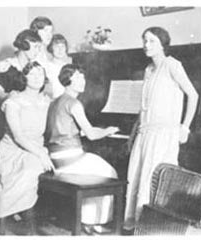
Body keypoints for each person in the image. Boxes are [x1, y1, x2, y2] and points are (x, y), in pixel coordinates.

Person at [123, 27, 199, 233]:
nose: (146, 45)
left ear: (163, 44)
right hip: (144, 134)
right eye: (144, 40)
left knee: (151, 183)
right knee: (135, 180)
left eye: (152, 41)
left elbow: (193, 95)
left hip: (164, 135)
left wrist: (185, 127)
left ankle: (150, 230)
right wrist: (132, 137)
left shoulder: (172, 65)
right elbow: (143, 108)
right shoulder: (148, 70)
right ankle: (136, 228)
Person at [45, 64, 119, 235]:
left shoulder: (56, 101)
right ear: (68, 81)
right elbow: (92, 134)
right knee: (109, 173)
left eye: (83, 77)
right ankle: (94, 222)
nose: (83, 81)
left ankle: (88, 219)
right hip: (71, 159)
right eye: (78, 77)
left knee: (98, 169)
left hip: (56, 158)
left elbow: (62, 129)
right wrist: (109, 130)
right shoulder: (74, 103)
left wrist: (81, 132)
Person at [0, 62, 54, 235]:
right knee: (27, 170)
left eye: (40, 74)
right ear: (24, 78)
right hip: (12, 150)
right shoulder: (13, 101)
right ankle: (3, 227)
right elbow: (18, 136)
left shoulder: (46, 101)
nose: (37, 78)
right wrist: (41, 154)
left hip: (36, 149)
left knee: (31, 168)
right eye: (32, 74)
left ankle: (29, 229)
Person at [0, 29, 42, 100]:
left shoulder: (35, 67)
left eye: (39, 47)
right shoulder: (7, 66)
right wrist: (9, 96)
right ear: (25, 45)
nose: (38, 51)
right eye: (35, 47)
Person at [44, 34, 72, 99]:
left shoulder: (69, 67)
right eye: (57, 46)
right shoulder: (47, 67)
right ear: (51, 48)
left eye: (63, 46)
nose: (60, 49)